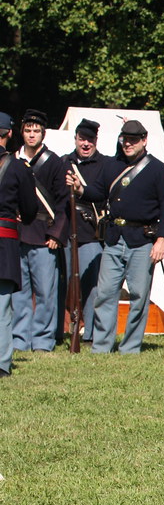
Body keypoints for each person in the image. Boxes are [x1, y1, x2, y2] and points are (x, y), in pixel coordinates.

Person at [70, 119, 164, 354]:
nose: (128, 144)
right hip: (114, 237)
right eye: (125, 139)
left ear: (144, 140)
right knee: (105, 293)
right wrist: (79, 189)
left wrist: (162, 240)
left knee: (139, 295)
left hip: (143, 238)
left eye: (133, 140)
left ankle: (130, 347)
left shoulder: (158, 169)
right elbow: (97, 192)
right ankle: (101, 345)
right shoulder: (111, 165)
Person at [13, 109, 68, 352]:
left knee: (46, 292)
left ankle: (43, 340)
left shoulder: (55, 162)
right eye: (28, 130)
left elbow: (63, 202)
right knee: (20, 291)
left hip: (44, 233)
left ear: (43, 134)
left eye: (36, 131)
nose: (32, 135)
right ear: (21, 132)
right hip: (16, 233)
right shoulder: (11, 160)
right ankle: (19, 339)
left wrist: (56, 233)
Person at [64, 119, 111, 343]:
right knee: (63, 286)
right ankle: (58, 333)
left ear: (95, 141)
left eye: (90, 139)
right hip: (66, 231)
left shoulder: (105, 164)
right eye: (82, 138)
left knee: (92, 287)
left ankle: (90, 334)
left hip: (91, 232)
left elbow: (105, 196)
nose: (85, 143)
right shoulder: (64, 162)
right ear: (75, 138)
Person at [0, 112, 39, 377]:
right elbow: (29, 210)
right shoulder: (17, 168)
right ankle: (1, 364)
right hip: (4, 243)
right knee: (2, 307)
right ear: (10, 133)